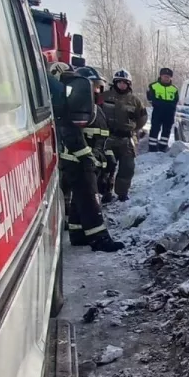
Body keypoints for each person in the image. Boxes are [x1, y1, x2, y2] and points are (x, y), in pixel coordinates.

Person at [48, 62, 124, 252]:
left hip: (87, 160)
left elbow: (101, 138)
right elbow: (71, 135)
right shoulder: (75, 107)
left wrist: (107, 159)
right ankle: (99, 239)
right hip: (77, 160)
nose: (99, 90)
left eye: (100, 86)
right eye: (95, 86)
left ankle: (78, 233)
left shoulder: (96, 110)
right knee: (90, 200)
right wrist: (87, 157)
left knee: (80, 199)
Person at [101, 69, 147, 201]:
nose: (122, 85)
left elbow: (142, 118)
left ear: (129, 84)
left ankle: (122, 192)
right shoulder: (104, 97)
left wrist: (133, 130)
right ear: (115, 83)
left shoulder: (135, 101)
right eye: (119, 82)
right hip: (108, 137)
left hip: (127, 139)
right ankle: (105, 191)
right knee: (107, 166)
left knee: (127, 167)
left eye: (125, 83)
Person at [146, 67, 179, 152]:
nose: (166, 78)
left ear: (171, 78)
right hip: (158, 112)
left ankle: (163, 147)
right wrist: (159, 104)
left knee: (166, 131)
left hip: (169, 113)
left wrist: (169, 107)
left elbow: (175, 101)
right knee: (155, 129)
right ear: (160, 76)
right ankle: (152, 148)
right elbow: (150, 98)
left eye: (168, 77)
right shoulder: (153, 86)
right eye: (164, 76)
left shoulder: (174, 89)